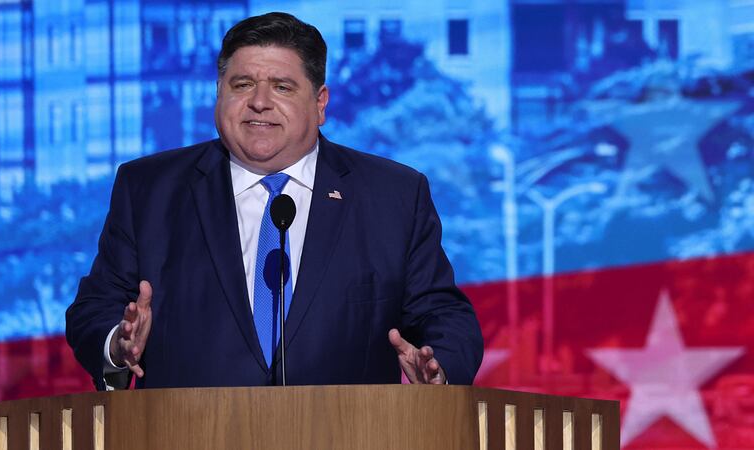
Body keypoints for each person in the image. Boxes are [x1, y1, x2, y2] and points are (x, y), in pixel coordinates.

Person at [66, 11, 483, 390]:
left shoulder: (392, 195)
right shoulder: (150, 189)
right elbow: (95, 308)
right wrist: (117, 346)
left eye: (282, 86)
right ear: (219, 93)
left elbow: (443, 314)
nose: (259, 101)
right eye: (242, 84)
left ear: (320, 104)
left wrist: (439, 369)